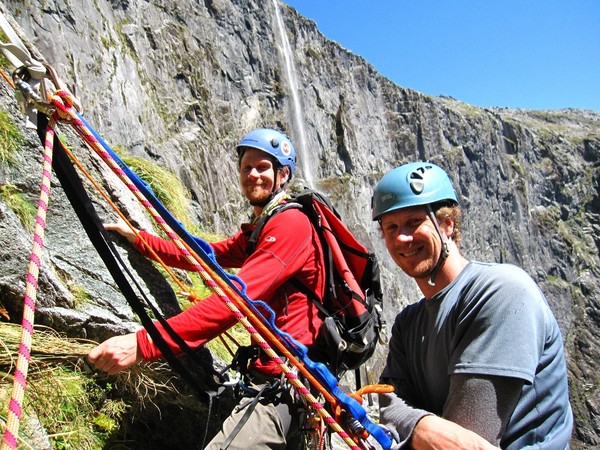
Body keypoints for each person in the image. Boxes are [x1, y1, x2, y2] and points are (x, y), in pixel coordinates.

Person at [88, 128, 326, 449]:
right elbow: (209, 255)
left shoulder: (291, 225)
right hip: (277, 380)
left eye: (263, 167)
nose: (253, 174)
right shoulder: (263, 227)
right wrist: (142, 241)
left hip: (285, 386)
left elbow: (237, 299)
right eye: (246, 168)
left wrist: (144, 344)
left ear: (283, 175)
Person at [371, 161, 573, 450]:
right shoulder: (408, 323)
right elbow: (385, 402)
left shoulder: (501, 292)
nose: (402, 238)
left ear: (447, 224)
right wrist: (424, 427)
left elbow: (465, 438)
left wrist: (411, 423)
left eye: (414, 222)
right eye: (390, 228)